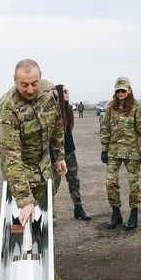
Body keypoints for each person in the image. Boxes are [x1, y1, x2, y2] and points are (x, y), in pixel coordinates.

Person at [0, 58, 70, 280]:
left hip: (43, 167)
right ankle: (18, 275)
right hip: (20, 173)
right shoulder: (7, 108)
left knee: (46, 223)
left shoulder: (50, 92)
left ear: (40, 78)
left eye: (34, 83)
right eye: (23, 84)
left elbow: (58, 125)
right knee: (18, 224)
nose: (29, 89)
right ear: (15, 81)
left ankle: (47, 272)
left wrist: (59, 155)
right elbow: (11, 156)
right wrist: (25, 200)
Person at [100, 77, 141, 230]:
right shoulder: (110, 107)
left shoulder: (136, 107)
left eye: (123, 90)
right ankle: (116, 213)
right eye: (118, 91)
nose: (121, 93)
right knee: (110, 182)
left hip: (132, 153)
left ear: (129, 90)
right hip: (114, 152)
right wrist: (104, 149)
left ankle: (134, 214)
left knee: (134, 185)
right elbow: (106, 129)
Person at [52, 86, 91, 221]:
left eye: (68, 91)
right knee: (53, 185)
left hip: (69, 151)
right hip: (56, 155)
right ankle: (49, 215)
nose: (68, 94)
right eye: (65, 92)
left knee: (74, 180)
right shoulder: (54, 111)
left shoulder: (68, 110)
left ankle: (78, 208)